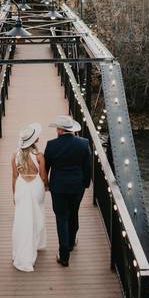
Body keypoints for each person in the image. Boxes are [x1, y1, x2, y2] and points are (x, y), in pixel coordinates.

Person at [43, 114, 91, 267]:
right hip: (77, 187)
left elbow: (46, 167)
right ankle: (71, 242)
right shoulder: (84, 143)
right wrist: (86, 183)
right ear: (71, 129)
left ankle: (64, 255)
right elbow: (87, 167)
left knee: (61, 218)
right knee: (74, 212)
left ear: (59, 130)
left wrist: (46, 184)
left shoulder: (51, 145)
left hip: (58, 187)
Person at [11, 123, 47, 272]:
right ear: (33, 141)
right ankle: (35, 242)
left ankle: (22, 250)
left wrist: (14, 194)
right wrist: (46, 186)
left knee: (22, 218)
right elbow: (43, 175)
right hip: (35, 186)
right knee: (37, 215)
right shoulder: (39, 156)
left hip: (21, 186)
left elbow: (14, 176)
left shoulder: (14, 156)